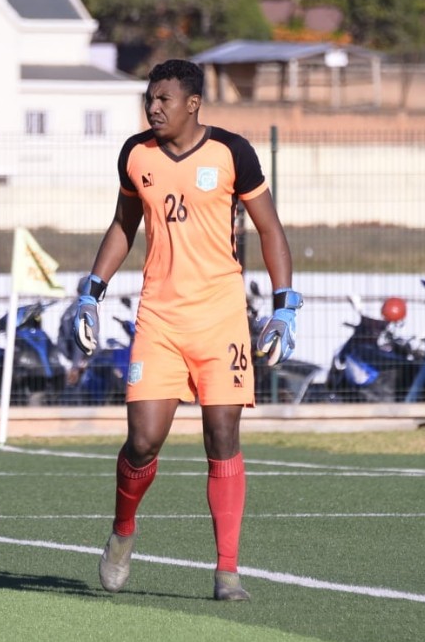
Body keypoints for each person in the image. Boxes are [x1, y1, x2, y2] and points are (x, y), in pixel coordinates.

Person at [68, 59, 298, 602]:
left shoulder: (233, 152)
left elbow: (269, 228)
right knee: (143, 441)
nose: (153, 107)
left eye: (163, 99)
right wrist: (91, 292)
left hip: (221, 319)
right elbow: (123, 225)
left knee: (222, 437)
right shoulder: (135, 154)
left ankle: (227, 573)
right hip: (160, 319)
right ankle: (123, 530)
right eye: (149, 98)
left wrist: (285, 305)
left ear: (193, 103)